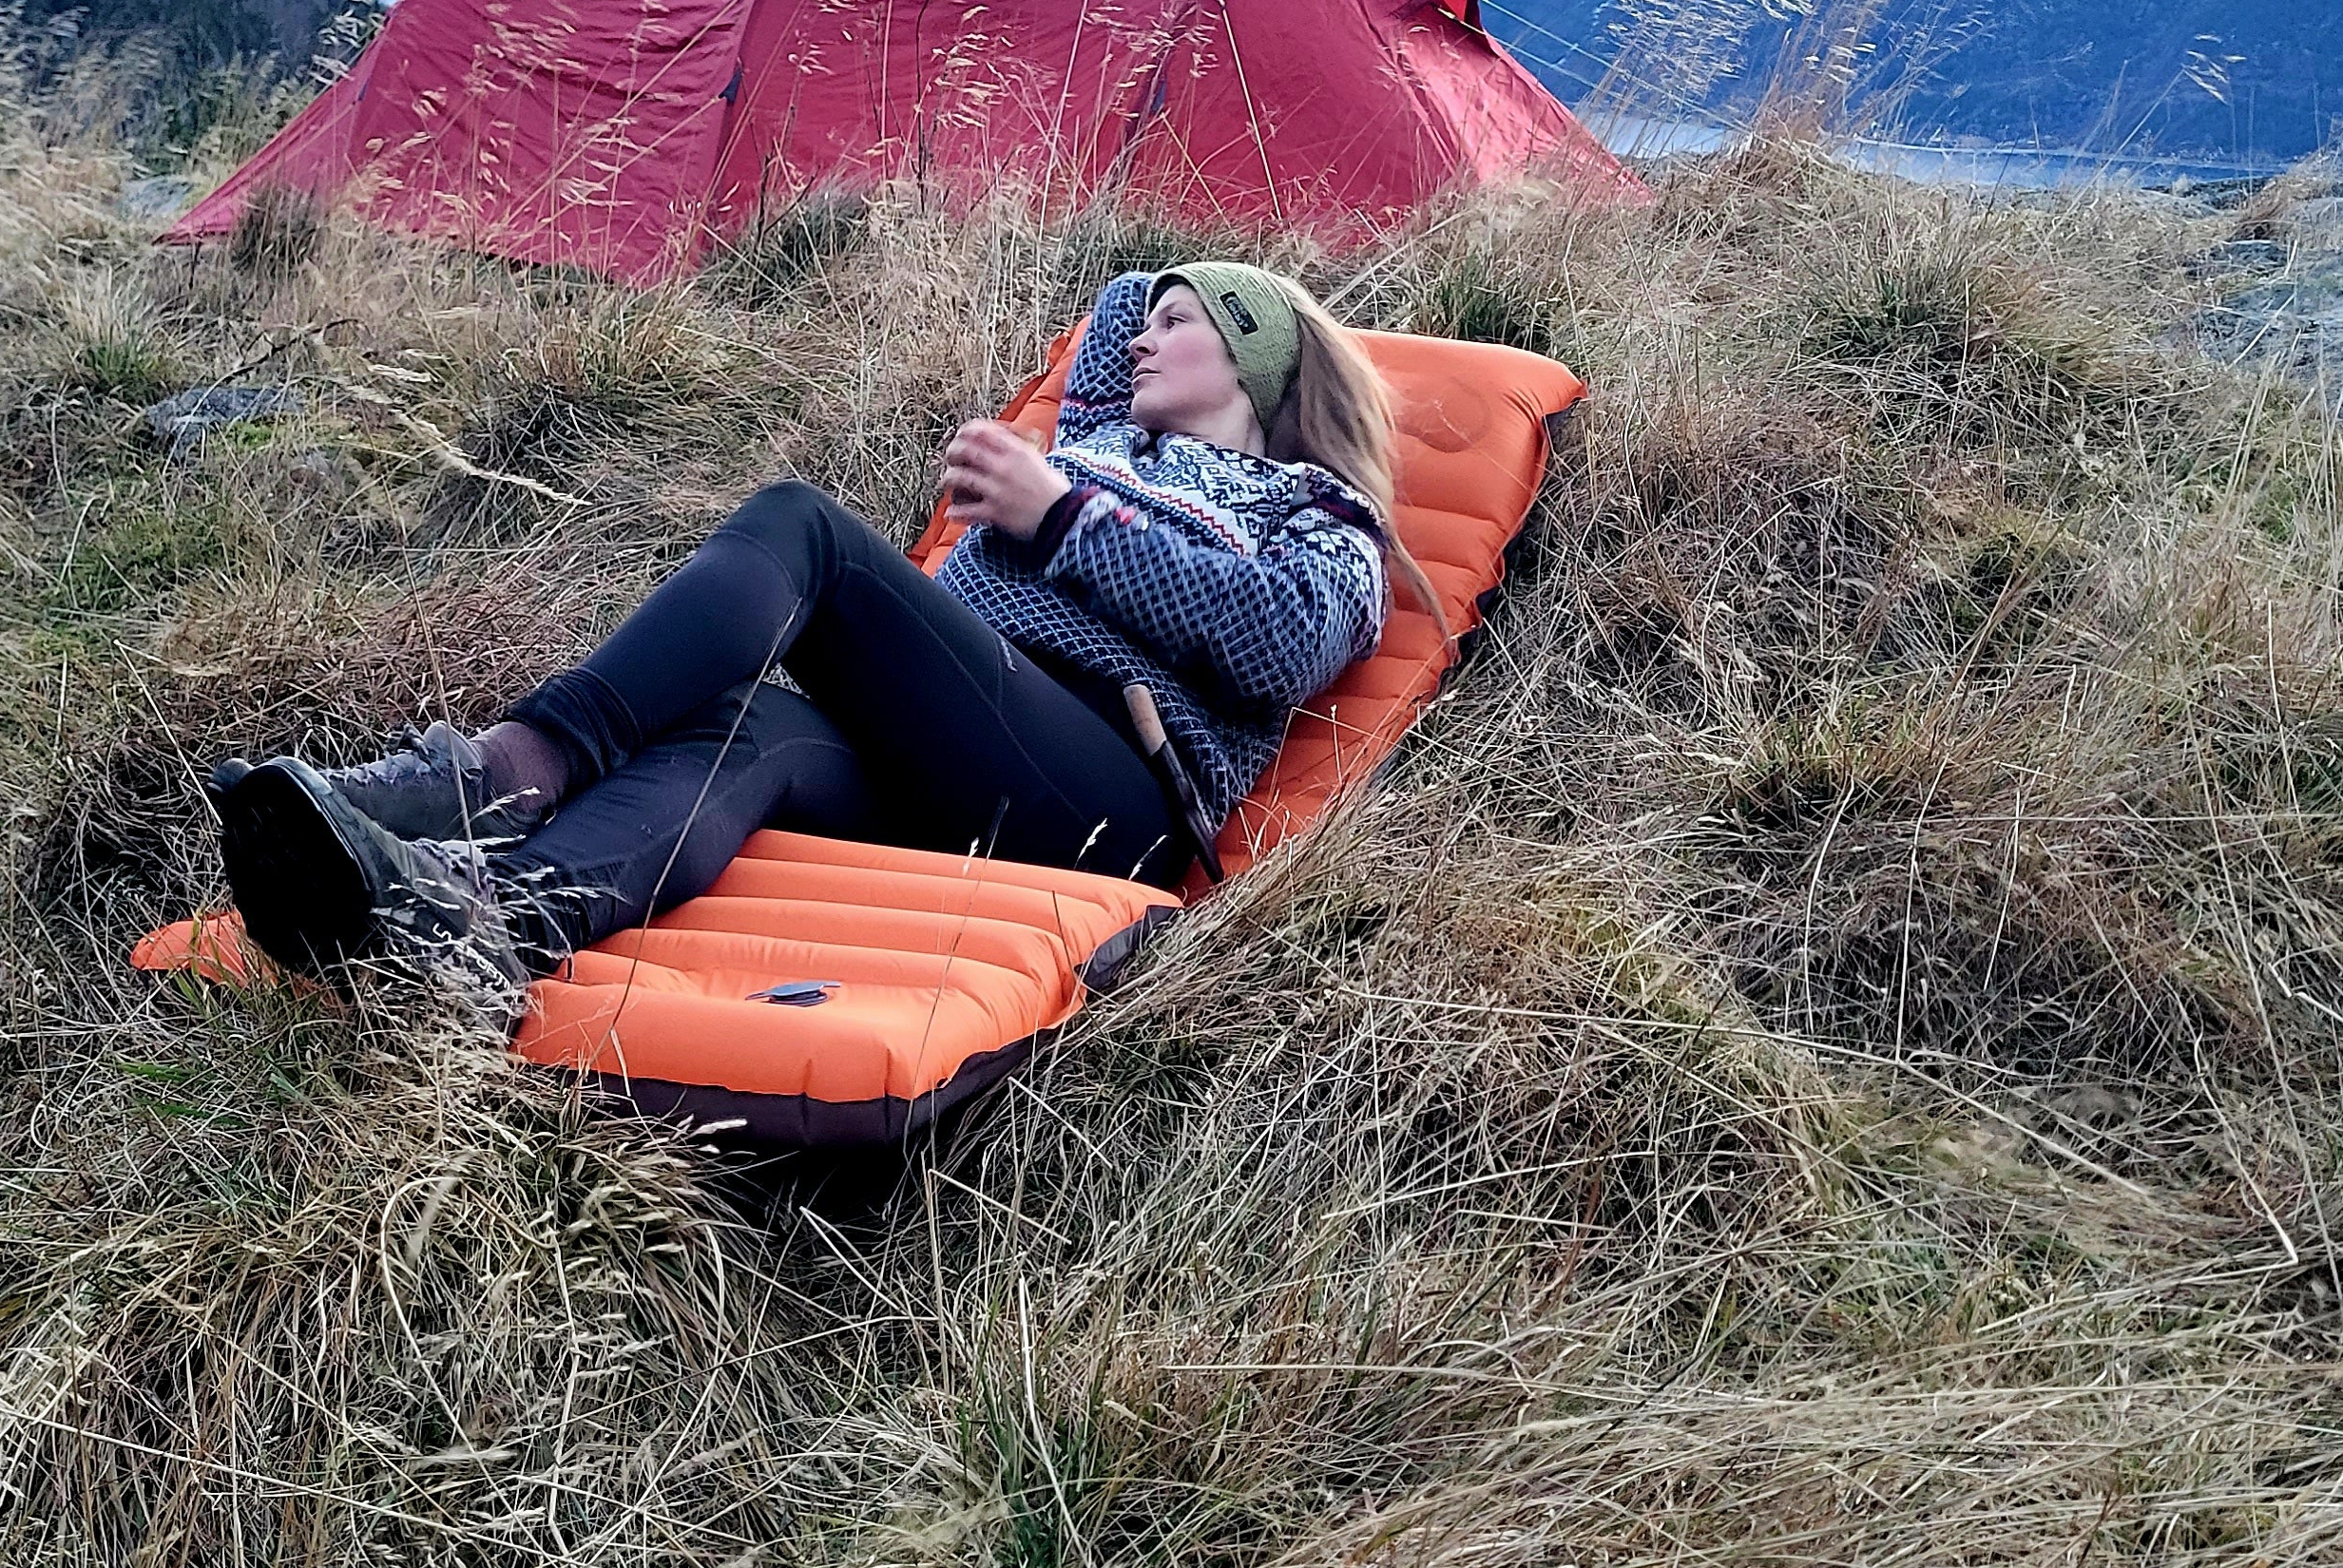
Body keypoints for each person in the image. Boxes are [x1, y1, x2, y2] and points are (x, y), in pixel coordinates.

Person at [207, 262, 1433, 1010]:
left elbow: (1281, 640)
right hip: (951, 760)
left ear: (1254, 359)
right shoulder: (1100, 446)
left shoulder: (1316, 511)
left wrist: (1060, 515)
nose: (1144, 338)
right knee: (745, 726)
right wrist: (1085, 450)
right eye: (1149, 324)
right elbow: (1113, 315)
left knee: (806, 528)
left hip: (1104, 799)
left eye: (1181, 321)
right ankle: (479, 932)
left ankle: (492, 775)